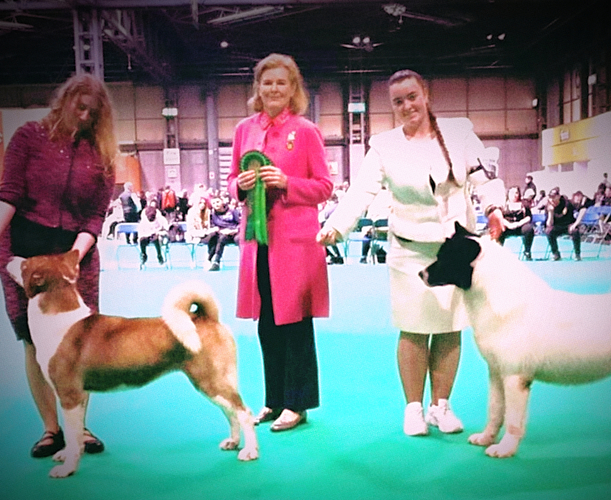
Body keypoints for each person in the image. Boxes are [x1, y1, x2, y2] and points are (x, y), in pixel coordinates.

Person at [319, 69, 506, 436]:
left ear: (426, 95)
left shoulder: (459, 134)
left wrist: (494, 208)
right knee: (413, 329)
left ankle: (441, 406)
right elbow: (360, 192)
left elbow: (484, 177)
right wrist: (336, 226)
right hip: (409, 250)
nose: (407, 106)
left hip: (455, 251)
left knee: (450, 328)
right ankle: (413, 409)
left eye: (412, 97)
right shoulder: (383, 146)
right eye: (398, 102)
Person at [0, 73, 117, 458]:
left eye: (93, 112)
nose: (84, 116)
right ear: (64, 100)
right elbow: (9, 194)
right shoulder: (29, 137)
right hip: (25, 248)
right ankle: (51, 429)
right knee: (33, 340)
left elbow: (96, 217)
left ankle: (79, 428)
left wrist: (75, 257)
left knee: (79, 341)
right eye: (79, 107)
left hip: (75, 252)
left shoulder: (102, 153)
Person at [229, 53, 333, 432]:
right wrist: (239, 187)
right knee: (267, 323)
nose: (273, 89)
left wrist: (287, 183)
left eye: (281, 83)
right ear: (258, 88)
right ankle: (273, 400)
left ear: (293, 89)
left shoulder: (305, 131)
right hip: (257, 241)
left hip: (295, 244)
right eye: (267, 82)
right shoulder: (244, 131)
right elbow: (232, 179)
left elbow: (324, 186)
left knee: (295, 324)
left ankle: (298, 403)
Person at [498, 185, 534, 260]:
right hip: (507, 227)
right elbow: (500, 217)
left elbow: (528, 217)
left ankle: (527, 251)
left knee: (529, 229)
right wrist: (509, 225)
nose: (514, 195)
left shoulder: (524, 204)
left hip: (520, 227)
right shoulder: (503, 205)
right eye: (512, 193)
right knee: (499, 229)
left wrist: (518, 224)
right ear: (508, 193)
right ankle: (498, 252)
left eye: (516, 193)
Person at [544, 187, 580, 261]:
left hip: (568, 225)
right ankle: (556, 254)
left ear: (558, 196)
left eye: (554, 197)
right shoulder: (548, 206)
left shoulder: (567, 203)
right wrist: (551, 213)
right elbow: (549, 224)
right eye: (550, 198)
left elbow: (582, 209)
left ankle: (577, 254)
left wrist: (575, 224)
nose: (552, 200)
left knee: (575, 231)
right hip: (557, 227)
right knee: (548, 231)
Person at [207, 195, 240, 271]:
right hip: (223, 234)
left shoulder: (232, 211)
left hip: (235, 232)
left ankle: (246, 261)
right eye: (214, 203)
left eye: (218, 202)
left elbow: (241, 223)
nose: (216, 204)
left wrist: (234, 231)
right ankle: (216, 262)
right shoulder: (212, 214)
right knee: (220, 239)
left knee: (239, 239)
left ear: (222, 202)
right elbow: (213, 226)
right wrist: (220, 230)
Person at [138, 198, 169, 266]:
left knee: (156, 238)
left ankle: (159, 255)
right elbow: (140, 233)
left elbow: (166, 230)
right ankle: (143, 255)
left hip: (158, 236)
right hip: (147, 236)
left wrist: (159, 232)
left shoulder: (161, 219)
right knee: (142, 240)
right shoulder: (143, 222)